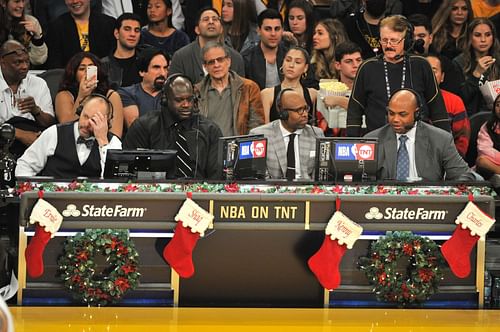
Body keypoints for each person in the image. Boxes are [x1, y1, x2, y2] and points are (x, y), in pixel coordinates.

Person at [346, 15, 451, 137]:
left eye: (394, 40)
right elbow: (354, 110)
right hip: (378, 141)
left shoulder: (421, 65)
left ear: (406, 41)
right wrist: (352, 143)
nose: (388, 45)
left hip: (417, 141)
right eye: (384, 40)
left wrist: (445, 144)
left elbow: (437, 109)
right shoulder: (367, 68)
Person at [123, 74, 223, 179]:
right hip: (154, 193)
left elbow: (216, 178)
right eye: (179, 100)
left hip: (199, 193)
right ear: (165, 100)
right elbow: (130, 173)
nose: (186, 105)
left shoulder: (210, 131)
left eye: (189, 99)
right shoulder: (143, 127)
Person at [365, 89, 476, 181]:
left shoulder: (440, 139)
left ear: (417, 114)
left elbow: (463, 174)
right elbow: (361, 179)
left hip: (427, 202)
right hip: (386, 202)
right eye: (391, 113)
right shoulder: (372, 141)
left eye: (402, 114)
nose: (395, 119)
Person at [15, 94, 121, 178]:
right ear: (80, 111)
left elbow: (114, 183)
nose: (86, 123)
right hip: (52, 200)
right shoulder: (54, 133)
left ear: (106, 122)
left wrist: (102, 141)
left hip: (93, 203)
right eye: (85, 116)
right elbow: (25, 165)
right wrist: (33, 194)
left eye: (94, 120)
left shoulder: (113, 142)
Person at [250, 88, 324, 181]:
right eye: (299, 110)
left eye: (305, 108)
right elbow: (259, 176)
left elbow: (321, 175)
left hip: (307, 191)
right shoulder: (260, 135)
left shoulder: (316, 134)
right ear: (283, 113)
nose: (305, 114)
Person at [0, 40, 55, 158]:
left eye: (27, 61)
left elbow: (49, 124)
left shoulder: (39, 84)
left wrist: (36, 111)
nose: (24, 66)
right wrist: (20, 134)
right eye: (18, 62)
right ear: (3, 62)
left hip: (33, 146)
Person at [197, 42, 264, 136]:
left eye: (220, 60)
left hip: (240, 147)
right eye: (211, 62)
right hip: (208, 148)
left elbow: (256, 125)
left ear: (228, 61)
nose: (216, 65)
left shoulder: (249, 88)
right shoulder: (196, 92)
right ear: (205, 67)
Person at [55, 52, 124, 138]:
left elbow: (115, 135)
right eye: (82, 69)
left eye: (91, 68)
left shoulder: (111, 95)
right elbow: (65, 128)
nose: (87, 72)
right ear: (74, 73)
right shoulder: (64, 95)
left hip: (102, 142)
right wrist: (81, 96)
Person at [169, 7, 244, 84]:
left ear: (221, 29)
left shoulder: (236, 58)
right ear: (197, 29)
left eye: (215, 19)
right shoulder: (181, 57)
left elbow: (242, 90)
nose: (211, 22)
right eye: (206, 19)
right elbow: (173, 90)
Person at [46, 0, 116, 69]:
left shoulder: (109, 24)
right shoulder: (56, 27)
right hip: (69, 77)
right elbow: (54, 64)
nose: (75, 1)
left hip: (103, 76)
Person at [408, 13, 463, 96]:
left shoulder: (445, 64)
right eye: (411, 36)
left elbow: (452, 95)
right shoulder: (398, 62)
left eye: (421, 36)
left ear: (430, 38)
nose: (416, 40)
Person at [453, 17, 500, 115]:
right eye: (477, 35)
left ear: (493, 37)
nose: (483, 40)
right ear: (470, 37)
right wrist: (477, 74)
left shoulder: (498, 61)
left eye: (488, 35)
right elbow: (460, 99)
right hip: (469, 118)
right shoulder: (458, 63)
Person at [427, 54, 470, 157]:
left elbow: (462, 138)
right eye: (425, 70)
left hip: (447, 159)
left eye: (434, 70)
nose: (429, 74)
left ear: (442, 77)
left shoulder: (455, 101)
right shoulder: (406, 100)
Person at [261, 46, 316, 123]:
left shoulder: (313, 94)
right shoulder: (267, 94)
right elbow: (264, 129)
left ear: (305, 68)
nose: (291, 65)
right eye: (288, 60)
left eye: (297, 62)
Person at [319, 41, 363, 136]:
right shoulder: (326, 89)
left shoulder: (371, 90)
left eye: (358, 60)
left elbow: (368, 111)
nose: (355, 65)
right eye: (349, 61)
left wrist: (339, 101)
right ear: (338, 65)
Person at [118, 47, 169, 128]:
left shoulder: (172, 94)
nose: (163, 73)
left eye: (165, 68)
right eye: (156, 67)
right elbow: (134, 127)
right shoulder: (127, 93)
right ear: (142, 72)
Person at [242, 8, 287, 90]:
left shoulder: (289, 55)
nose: (273, 34)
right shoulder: (246, 59)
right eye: (267, 29)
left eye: (277, 29)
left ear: (282, 30)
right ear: (258, 30)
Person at [101, 12, 142, 90]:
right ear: (116, 33)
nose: (133, 34)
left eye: (137, 30)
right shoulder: (103, 66)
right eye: (127, 29)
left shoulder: (147, 61)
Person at [0, 0, 48, 66]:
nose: (21, 5)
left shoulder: (31, 22)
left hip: (25, 71)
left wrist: (37, 37)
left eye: (23, 1)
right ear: (3, 3)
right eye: (17, 1)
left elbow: (39, 60)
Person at [310, 18, 349, 83]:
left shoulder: (348, 61)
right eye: (315, 33)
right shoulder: (313, 63)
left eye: (320, 33)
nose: (314, 37)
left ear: (335, 37)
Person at [476, 93, 500, 186]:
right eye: (497, 105)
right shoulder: (488, 126)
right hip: (494, 164)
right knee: (481, 161)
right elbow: (484, 149)